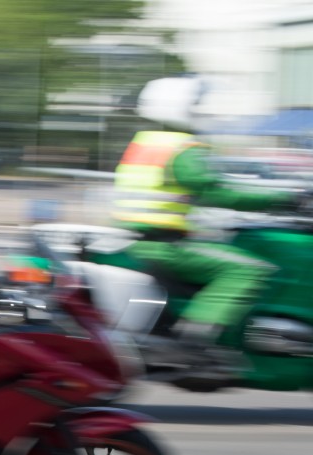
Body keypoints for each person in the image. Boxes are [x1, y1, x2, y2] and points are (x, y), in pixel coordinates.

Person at [105, 75, 304, 383]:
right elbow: (217, 192)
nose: (206, 110)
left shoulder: (146, 142)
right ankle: (195, 342)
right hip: (168, 245)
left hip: (142, 239)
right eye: (200, 104)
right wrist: (287, 199)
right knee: (248, 270)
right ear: (184, 107)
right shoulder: (184, 148)